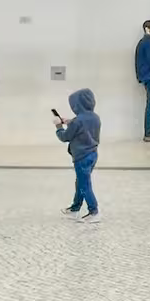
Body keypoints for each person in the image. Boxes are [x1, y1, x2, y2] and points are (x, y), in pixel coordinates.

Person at [53, 88, 102, 222]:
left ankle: (94, 211)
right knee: (81, 182)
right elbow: (83, 126)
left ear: (76, 105)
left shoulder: (77, 121)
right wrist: (69, 122)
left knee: (84, 185)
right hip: (92, 154)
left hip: (81, 157)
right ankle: (75, 208)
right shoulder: (95, 117)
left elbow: (65, 137)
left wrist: (58, 127)